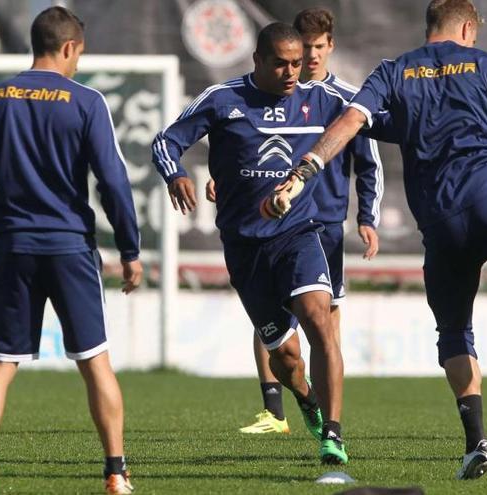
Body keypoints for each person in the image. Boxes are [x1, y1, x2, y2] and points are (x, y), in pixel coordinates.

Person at [261, 0, 487, 479]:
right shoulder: (486, 64)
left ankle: (477, 444)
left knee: (454, 334)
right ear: (469, 27)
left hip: (438, 221)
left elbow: (350, 124)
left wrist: (303, 170)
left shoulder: (394, 71)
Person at [152, 22, 362, 465]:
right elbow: (165, 142)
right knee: (287, 361)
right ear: (259, 61)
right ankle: (306, 400)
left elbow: (376, 119)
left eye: (298, 64)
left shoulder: (323, 100)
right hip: (246, 249)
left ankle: (334, 435)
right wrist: (177, 173)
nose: (292, 73)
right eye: (281, 64)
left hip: (299, 234)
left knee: (319, 320)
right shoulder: (223, 99)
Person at [0, 6, 142, 495]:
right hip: (69, 249)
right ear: (68, 47)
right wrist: (130, 250)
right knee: (95, 361)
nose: (79, 62)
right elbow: (114, 183)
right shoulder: (85, 102)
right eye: (79, 53)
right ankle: (116, 473)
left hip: (13, 247)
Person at [205, 7, 385, 436]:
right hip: (265, 227)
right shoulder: (270, 96)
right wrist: (227, 181)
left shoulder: (344, 101)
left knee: (322, 317)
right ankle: (277, 409)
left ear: (329, 47)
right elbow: (248, 152)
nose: (308, 58)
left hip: (320, 224)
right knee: (275, 327)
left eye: (316, 48)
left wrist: (367, 216)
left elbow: (369, 162)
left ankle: (330, 419)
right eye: (301, 50)